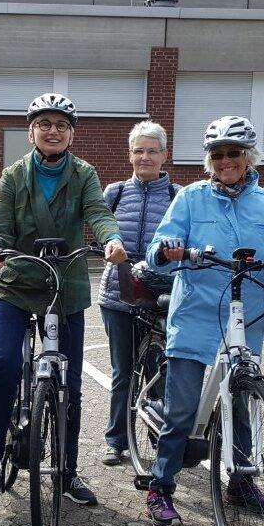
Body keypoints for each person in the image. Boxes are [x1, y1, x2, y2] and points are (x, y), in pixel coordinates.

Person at [142, 116, 264, 526]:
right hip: (196, 311)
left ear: (249, 157)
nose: (226, 160)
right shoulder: (190, 199)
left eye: (234, 153)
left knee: (242, 399)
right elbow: (157, 252)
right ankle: (160, 487)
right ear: (209, 161)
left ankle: (241, 482)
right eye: (218, 154)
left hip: (247, 313)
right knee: (182, 409)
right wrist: (169, 249)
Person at [0, 93, 126, 503]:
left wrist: (111, 238)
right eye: (44, 124)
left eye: (61, 125)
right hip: (14, 283)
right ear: (31, 132)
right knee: (4, 363)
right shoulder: (13, 175)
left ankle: (67, 471)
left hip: (64, 285)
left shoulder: (84, 173)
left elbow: (97, 212)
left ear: (71, 134)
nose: (53, 131)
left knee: (69, 382)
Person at [98, 121, 178, 466]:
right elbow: (99, 230)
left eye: (152, 151)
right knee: (123, 371)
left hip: (161, 297)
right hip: (118, 294)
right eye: (138, 151)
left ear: (164, 155)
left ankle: (158, 439)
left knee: (159, 370)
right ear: (130, 155)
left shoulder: (178, 197)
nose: (145, 157)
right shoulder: (114, 193)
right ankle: (116, 440)